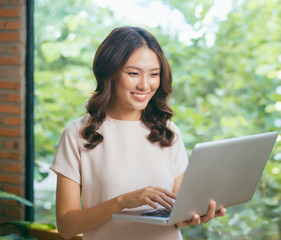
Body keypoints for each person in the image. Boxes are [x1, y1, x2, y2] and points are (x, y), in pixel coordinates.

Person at [50, 26, 226, 240]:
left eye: (154, 74)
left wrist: (196, 214)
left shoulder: (169, 133)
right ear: (110, 73)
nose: (145, 85)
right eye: (133, 73)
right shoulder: (78, 134)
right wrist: (122, 202)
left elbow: (177, 213)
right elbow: (66, 226)